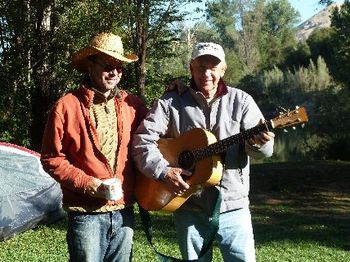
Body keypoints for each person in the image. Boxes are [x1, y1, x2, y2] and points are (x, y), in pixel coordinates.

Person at [132, 42, 274, 261]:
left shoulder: (242, 101)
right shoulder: (171, 101)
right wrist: (163, 171)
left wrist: (260, 143)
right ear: (191, 68)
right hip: (189, 206)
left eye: (213, 67)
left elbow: (264, 153)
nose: (206, 73)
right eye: (200, 67)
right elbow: (143, 141)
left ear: (223, 69)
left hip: (233, 206)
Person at [40, 32, 147, 262]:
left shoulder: (133, 105)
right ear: (90, 64)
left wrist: (176, 90)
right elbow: (51, 158)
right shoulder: (66, 106)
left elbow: (156, 138)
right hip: (85, 215)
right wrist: (90, 184)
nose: (115, 73)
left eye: (120, 67)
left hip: (123, 210)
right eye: (108, 65)